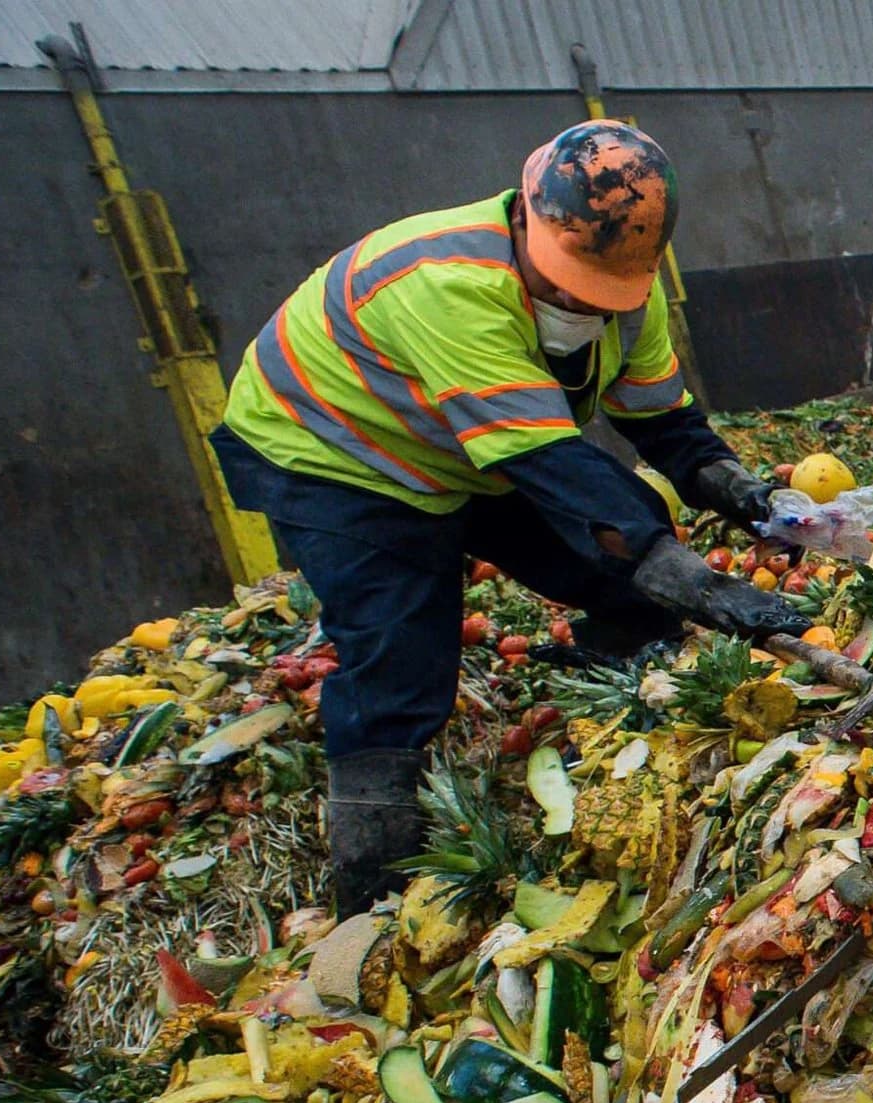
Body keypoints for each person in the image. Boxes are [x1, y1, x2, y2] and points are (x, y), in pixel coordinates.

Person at [209, 120, 804, 914]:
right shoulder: (449, 285)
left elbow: (662, 419)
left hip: (469, 441)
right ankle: (372, 889)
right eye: (561, 283)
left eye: (592, 292)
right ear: (524, 220)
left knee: (621, 558)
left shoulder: (630, 291)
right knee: (401, 651)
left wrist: (737, 489)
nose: (572, 302)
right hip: (336, 452)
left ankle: (620, 694)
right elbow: (548, 465)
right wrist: (690, 575)